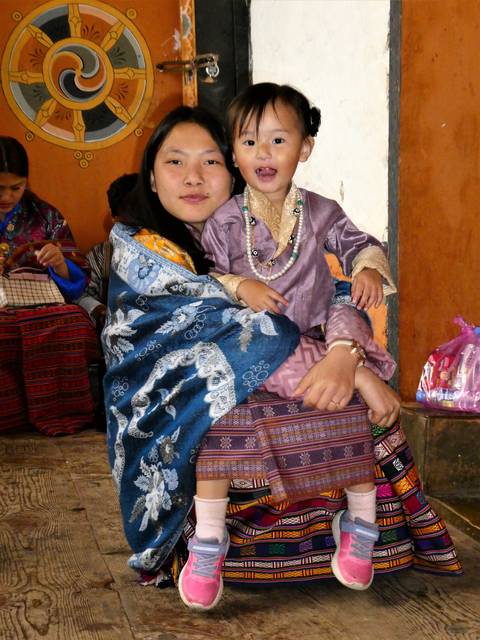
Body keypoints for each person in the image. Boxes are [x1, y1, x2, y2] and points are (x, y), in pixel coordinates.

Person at [102, 107, 461, 612]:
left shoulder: (270, 221)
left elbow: (335, 287)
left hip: (299, 361)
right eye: (175, 163)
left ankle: (357, 531)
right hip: (179, 391)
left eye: (210, 162)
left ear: (233, 171)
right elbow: (195, 324)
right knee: (236, 403)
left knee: (350, 400)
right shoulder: (143, 249)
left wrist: (342, 353)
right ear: (152, 178)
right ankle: (207, 544)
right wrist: (355, 372)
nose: (193, 178)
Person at [187, 83, 397, 603]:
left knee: (345, 305)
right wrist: (240, 285)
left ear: (305, 148)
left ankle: (359, 526)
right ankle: (208, 542)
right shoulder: (223, 220)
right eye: (250, 142)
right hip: (255, 343)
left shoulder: (321, 211)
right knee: (327, 381)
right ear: (233, 153)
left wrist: (367, 267)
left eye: (279, 141)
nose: (264, 154)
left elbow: (360, 244)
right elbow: (198, 278)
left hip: (321, 332)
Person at [0, 136, 100, 435]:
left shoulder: (46, 216)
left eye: (16, 188)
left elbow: (77, 288)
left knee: (75, 325)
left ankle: (61, 413)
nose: (7, 196)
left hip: (39, 303)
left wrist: (59, 263)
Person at [76, 173, 138, 331]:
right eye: (130, 224)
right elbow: (82, 295)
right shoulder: (103, 255)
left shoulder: (170, 251)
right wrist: (100, 311)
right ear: (114, 218)